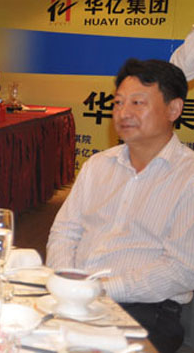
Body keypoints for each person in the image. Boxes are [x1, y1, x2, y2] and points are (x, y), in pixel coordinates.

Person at [47, 58, 194, 353]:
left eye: (138, 103)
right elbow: (65, 231)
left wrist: (100, 288)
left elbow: (181, 269)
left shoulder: (188, 176)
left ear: (174, 109)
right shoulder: (98, 165)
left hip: (145, 309)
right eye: (118, 103)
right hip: (75, 298)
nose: (123, 113)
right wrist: (66, 281)